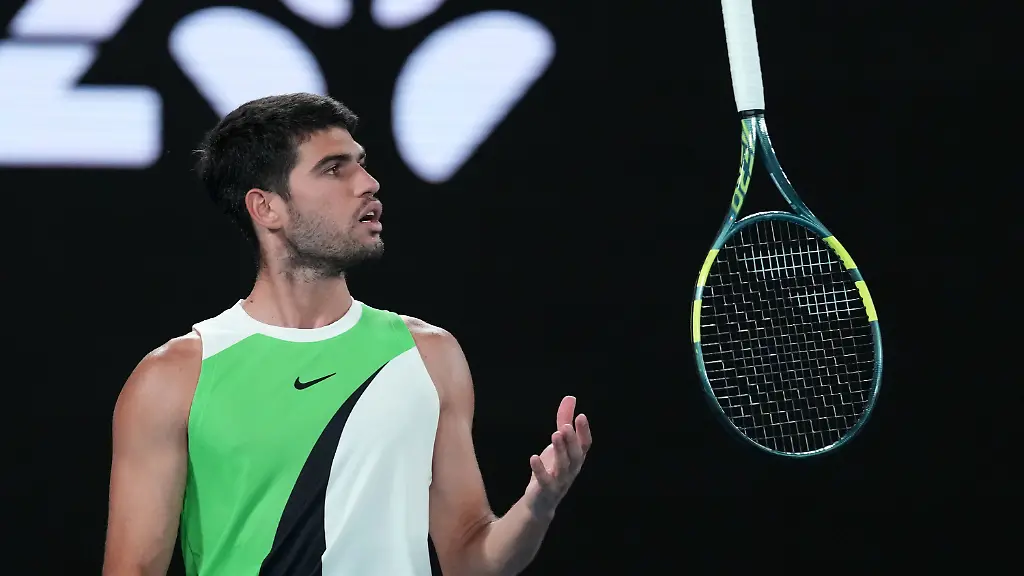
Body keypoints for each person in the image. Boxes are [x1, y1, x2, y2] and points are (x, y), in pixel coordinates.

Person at [101, 93, 592, 576]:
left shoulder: (429, 355)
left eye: (361, 163)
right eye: (334, 169)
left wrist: (538, 504)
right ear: (266, 208)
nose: (368, 183)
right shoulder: (174, 378)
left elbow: (471, 559)